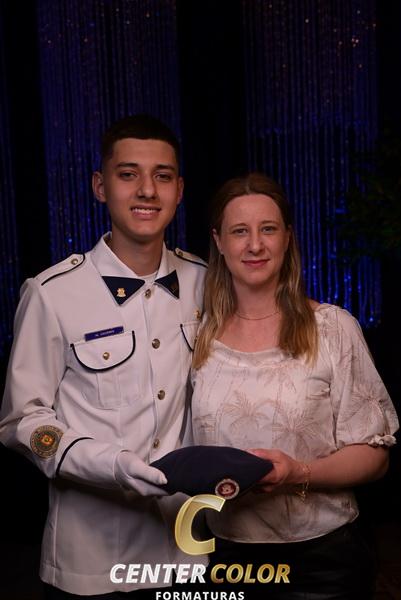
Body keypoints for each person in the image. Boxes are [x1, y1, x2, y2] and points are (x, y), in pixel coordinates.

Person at [0, 115, 206, 598]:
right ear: (100, 186)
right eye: (128, 174)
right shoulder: (52, 293)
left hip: (187, 550)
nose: (147, 191)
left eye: (162, 176)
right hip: (92, 562)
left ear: (179, 190)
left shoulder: (205, 280)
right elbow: (23, 421)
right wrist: (107, 463)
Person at [191, 172, 399, 599]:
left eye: (268, 229)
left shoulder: (333, 329)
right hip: (222, 554)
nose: (255, 245)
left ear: (287, 238)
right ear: (218, 241)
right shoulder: (197, 335)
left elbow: (375, 456)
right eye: (239, 231)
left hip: (322, 565)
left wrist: (297, 472)